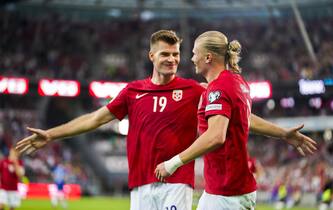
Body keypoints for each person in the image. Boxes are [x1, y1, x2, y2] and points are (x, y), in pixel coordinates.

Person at [16, 30, 315, 210]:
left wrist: (280, 133)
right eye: (165, 54)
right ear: (151, 56)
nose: (172, 59)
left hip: (177, 184)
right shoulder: (133, 91)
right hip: (141, 185)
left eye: (177, 54)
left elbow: (239, 118)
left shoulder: (196, 90)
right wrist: (52, 135)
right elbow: (95, 118)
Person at [155, 31, 317, 210]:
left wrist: (173, 163)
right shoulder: (236, 81)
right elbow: (244, 119)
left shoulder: (220, 88)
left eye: (195, 53)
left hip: (226, 193)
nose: (192, 58)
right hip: (229, 190)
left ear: (208, 57)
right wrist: (283, 133)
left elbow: (216, 136)